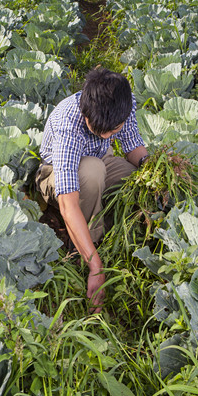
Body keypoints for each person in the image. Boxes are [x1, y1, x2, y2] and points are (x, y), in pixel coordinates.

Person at [36, 67, 149, 313]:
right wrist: (96, 268)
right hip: (55, 173)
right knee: (91, 172)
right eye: (101, 131)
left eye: (113, 130)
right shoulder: (69, 124)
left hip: (98, 159)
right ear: (86, 112)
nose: (109, 135)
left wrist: (151, 168)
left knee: (133, 177)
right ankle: (82, 250)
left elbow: (132, 146)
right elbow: (68, 204)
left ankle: (103, 229)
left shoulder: (122, 104)